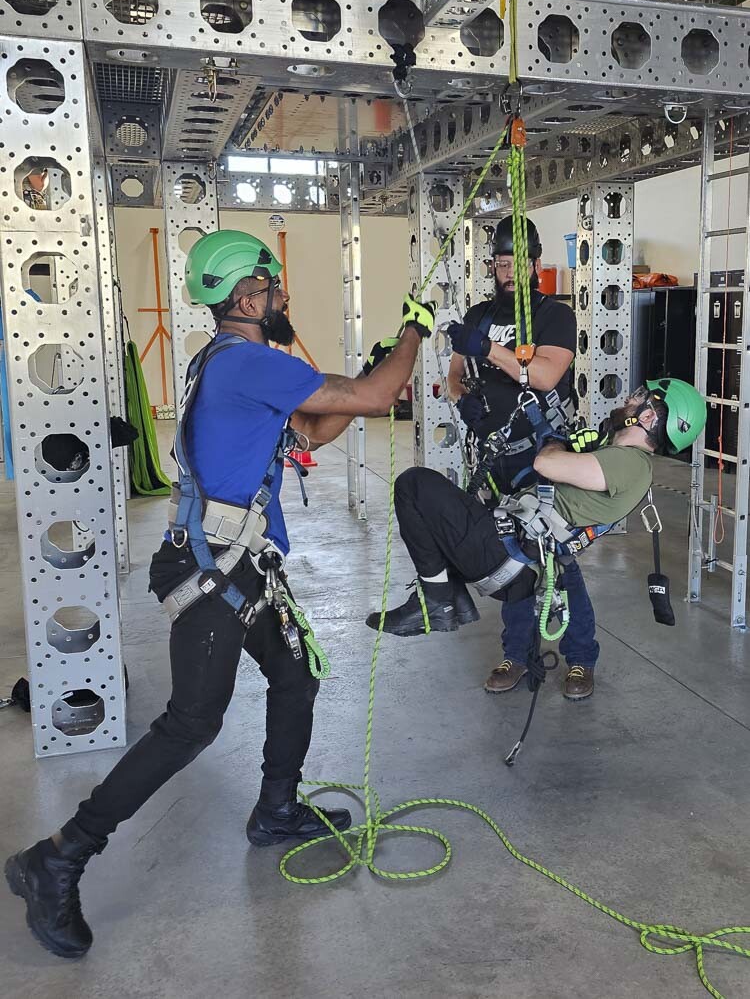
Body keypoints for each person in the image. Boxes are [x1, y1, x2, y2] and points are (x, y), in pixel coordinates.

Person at [4, 229, 436, 960]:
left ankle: (275, 810)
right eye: (273, 287)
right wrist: (414, 334)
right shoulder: (251, 364)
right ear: (246, 297)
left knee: (294, 677)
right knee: (190, 726)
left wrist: (366, 377)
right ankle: (58, 856)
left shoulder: (228, 364)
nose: (283, 296)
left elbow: (313, 430)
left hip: (239, 564)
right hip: (213, 571)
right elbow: (378, 397)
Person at [367, 378, 707, 688]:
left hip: (504, 553)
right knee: (562, 571)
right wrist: (576, 446)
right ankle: (519, 653)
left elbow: (546, 465)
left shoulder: (630, 463)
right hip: (522, 553)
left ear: (648, 418)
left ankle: (436, 600)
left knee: (414, 484)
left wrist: (557, 442)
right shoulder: (614, 453)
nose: (628, 400)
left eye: (638, 399)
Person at [444, 215, 597, 698]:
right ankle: (517, 654)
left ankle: (579, 659)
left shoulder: (555, 315)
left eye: (518, 263)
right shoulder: (479, 315)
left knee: (554, 557)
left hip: (543, 454)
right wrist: (463, 398)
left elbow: (547, 377)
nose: (509, 271)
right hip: (497, 459)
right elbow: (454, 374)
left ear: (535, 263)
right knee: (507, 560)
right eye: (501, 263)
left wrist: (488, 351)